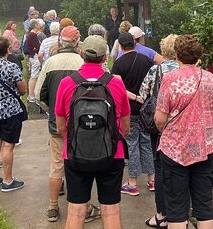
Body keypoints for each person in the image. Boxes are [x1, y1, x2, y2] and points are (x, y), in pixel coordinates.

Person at [55, 35, 131, 229]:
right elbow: (125, 126)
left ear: (81, 53)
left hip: (75, 153)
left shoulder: (66, 83)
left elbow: (61, 125)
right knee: (111, 210)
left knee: (76, 210)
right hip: (112, 153)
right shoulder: (116, 83)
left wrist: (74, 141)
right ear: (105, 57)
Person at [154, 35, 213, 229]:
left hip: (175, 149)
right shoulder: (209, 77)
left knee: (176, 209)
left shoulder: (170, 78)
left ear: (177, 54)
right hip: (205, 148)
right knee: (204, 205)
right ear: (199, 55)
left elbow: (160, 117)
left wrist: (165, 128)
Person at [36, 26, 100, 223]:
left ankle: (53, 207)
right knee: (78, 167)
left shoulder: (50, 63)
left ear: (59, 42)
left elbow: (39, 95)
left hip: (58, 124)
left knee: (56, 166)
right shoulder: (82, 62)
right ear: (78, 41)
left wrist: (53, 110)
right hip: (82, 126)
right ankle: (85, 207)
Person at [139, 34, 180, 228]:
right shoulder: (188, 70)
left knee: (160, 167)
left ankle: (162, 214)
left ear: (164, 50)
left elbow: (143, 94)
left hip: (160, 124)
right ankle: (181, 214)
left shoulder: (155, 70)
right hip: (182, 126)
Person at [111, 32, 155, 196]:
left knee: (131, 144)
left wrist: (134, 97)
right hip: (147, 109)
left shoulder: (118, 63)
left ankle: (133, 182)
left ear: (121, 46)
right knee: (146, 143)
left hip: (128, 108)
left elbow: (118, 88)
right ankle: (152, 179)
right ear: (135, 43)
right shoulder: (147, 60)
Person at [0, 37, 27, 193]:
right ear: (8, 50)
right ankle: (8, 181)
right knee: (8, 145)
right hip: (10, 111)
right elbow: (22, 89)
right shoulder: (12, 67)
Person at [25, 18, 44, 104]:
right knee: (34, 76)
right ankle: (32, 95)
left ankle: (31, 95)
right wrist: (37, 47)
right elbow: (38, 46)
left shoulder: (31, 34)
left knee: (34, 75)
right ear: (36, 25)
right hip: (35, 56)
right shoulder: (33, 35)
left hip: (33, 56)